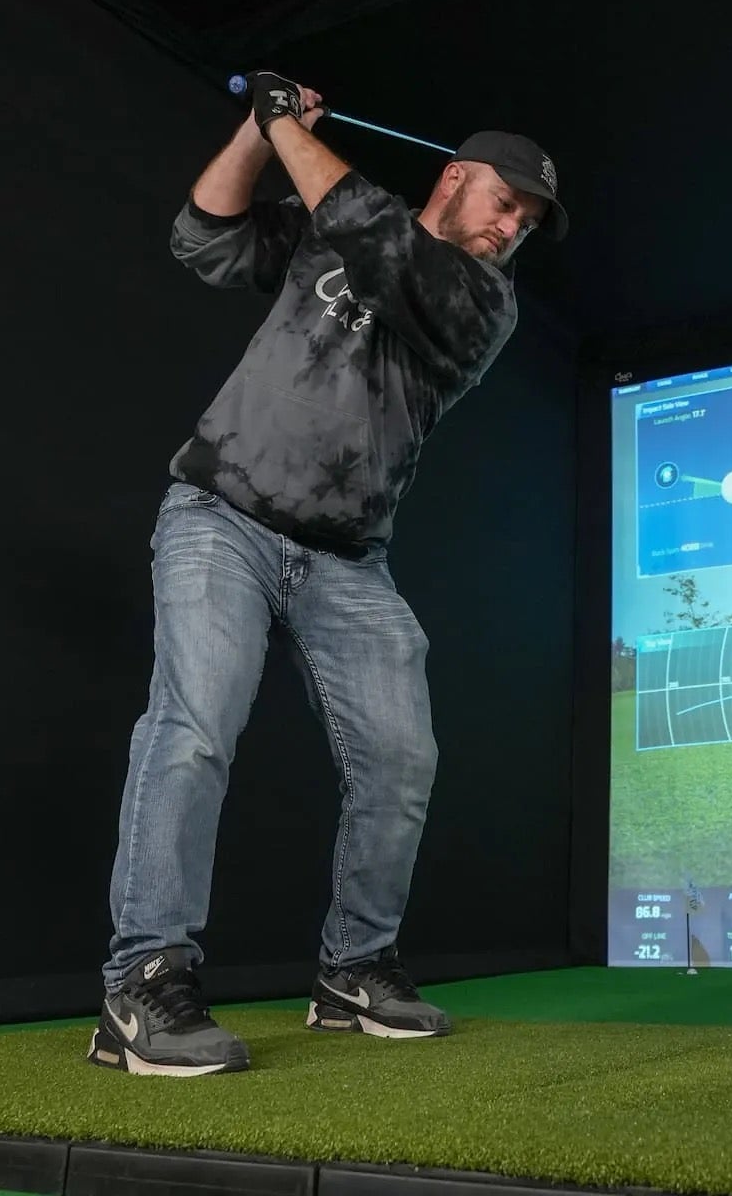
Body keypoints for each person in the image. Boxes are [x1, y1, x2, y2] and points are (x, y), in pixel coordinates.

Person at [88, 72, 566, 1076]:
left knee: (401, 758)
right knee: (192, 730)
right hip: (221, 515)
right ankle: (143, 979)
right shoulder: (330, 230)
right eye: (505, 202)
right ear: (456, 177)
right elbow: (204, 236)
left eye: (525, 222)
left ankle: (355, 967)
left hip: (348, 561)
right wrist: (255, 135)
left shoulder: (482, 302)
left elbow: (374, 235)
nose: (509, 229)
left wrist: (283, 125)